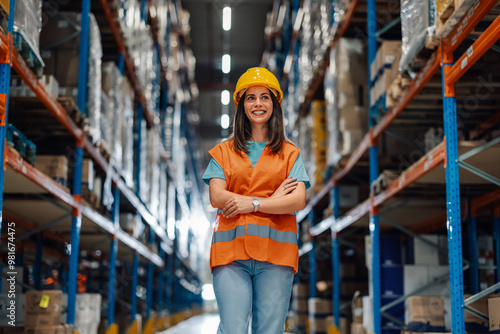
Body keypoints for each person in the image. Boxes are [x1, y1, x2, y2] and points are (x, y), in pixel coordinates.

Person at [202, 67, 310, 334]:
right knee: (233, 328)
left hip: (276, 257)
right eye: (251, 98)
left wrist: (253, 204)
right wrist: (273, 199)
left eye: (265, 97)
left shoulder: (290, 154)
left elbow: (297, 200)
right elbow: (217, 195)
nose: (258, 103)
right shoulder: (224, 151)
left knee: (270, 330)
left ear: (274, 103)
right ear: (242, 105)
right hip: (231, 255)